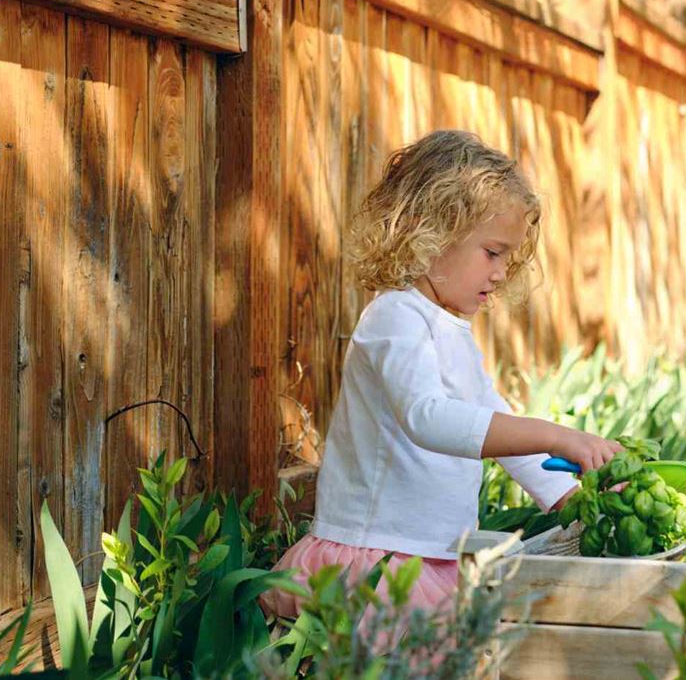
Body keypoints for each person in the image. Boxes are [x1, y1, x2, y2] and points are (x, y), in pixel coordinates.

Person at [263, 130, 621, 616]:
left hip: (433, 560)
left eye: (508, 258)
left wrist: (574, 499)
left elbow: (487, 416)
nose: (500, 272)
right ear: (430, 234)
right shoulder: (395, 317)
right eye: (492, 253)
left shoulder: (451, 329)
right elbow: (428, 417)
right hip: (380, 561)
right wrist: (556, 436)